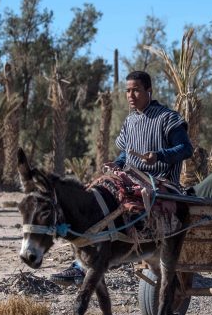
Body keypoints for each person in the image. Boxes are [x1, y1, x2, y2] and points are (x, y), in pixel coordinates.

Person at [51, 70, 194, 285]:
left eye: (136, 90)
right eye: (128, 91)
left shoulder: (168, 118)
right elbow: (126, 153)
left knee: (115, 209)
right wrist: (116, 164)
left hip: (160, 183)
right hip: (130, 180)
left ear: (149, 90)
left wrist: (159, 156)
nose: (131, 95)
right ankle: (81, 264)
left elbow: (186, 149)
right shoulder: (130, 121)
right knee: (98, 198)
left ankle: (94, 261)